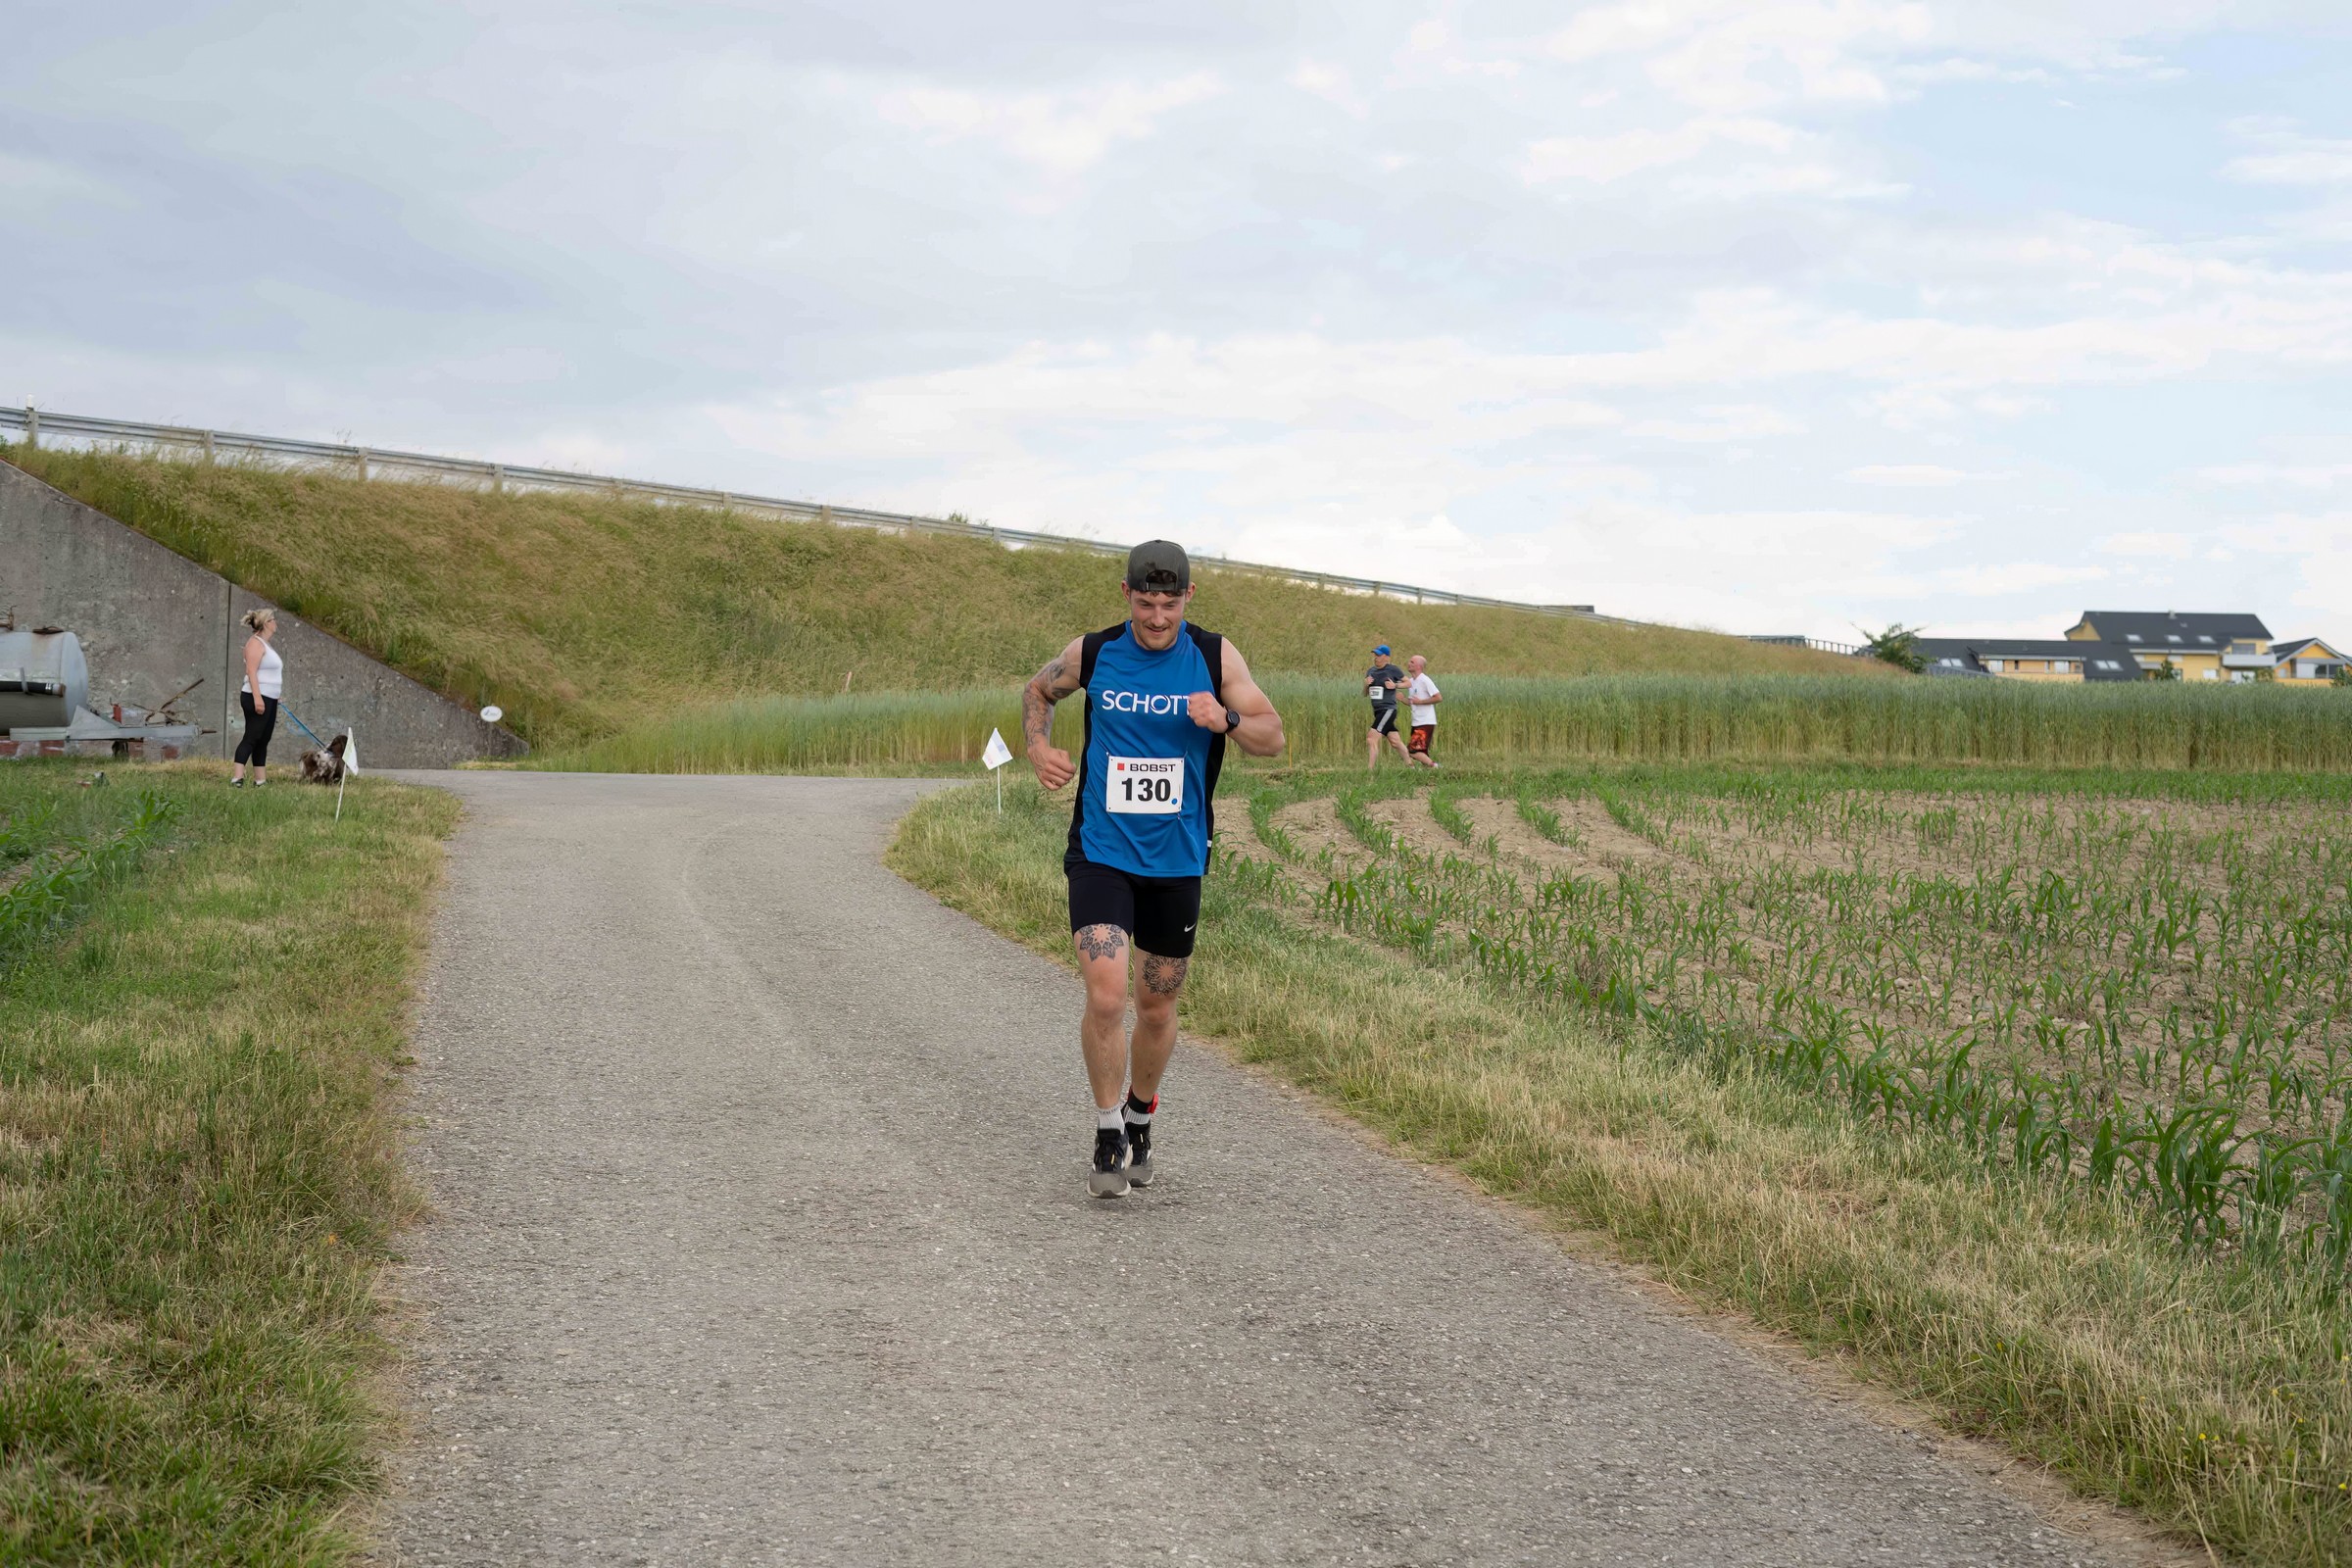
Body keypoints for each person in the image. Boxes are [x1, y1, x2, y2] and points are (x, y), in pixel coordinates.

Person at [1024, 540, 1285, 1198]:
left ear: (1188, 597)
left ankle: (1141, 1115)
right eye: (1146, 604)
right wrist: (1038, 748)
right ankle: (1108, 1129)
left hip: (1177, 858)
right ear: (1127, 595)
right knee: (1108, 995)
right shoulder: (1095, 652)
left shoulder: (1214, 656)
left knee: (1157, 1006)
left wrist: (1225, 718)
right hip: (1101, 852)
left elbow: (1272, 736)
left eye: (1170, 605)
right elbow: (1038, 689)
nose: (1158, 618)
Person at [230, 608, 284, 787]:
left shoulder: (266, 644)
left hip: (270, 697)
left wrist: (275, 695)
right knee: (252, 737)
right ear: (266, 623)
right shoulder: (255, 643)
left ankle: (260, 780)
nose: (275, 623)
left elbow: (269, 674)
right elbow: (251, 671)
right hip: (256, 696)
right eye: (273, 620)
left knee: (263, 739)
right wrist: (258, 698)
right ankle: (237, 777)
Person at [1364, 644, 1409, 771]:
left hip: (1388, 710)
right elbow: (1365, 693)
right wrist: (1366, 685)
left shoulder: (1393, 670)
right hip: (1377, 711)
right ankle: (1411, 767)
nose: (1376, 658)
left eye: (1379, 655)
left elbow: (1408, 683)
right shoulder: (1370, 671)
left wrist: (1395, 685)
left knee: (1371, 738)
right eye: (1375, 655)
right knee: (1395, 742)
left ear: (1386, 657)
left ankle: (1370, 771)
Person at [1404, 653, 1442, 768]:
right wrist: (1401, 698)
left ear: (1419, 666)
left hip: (1426, 721)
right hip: (1416, 721)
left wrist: (1420, 702)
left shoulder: (1425, 680)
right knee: (1422, 751)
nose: (1409, 664)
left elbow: (1438, 697)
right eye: (1409, 661)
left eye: (1412, 662)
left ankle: (1435, 766)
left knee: (1412, 750)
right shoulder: (1411, 682)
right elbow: (1412, 702)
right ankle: (1430, 771)